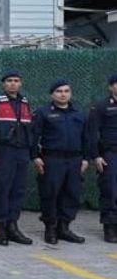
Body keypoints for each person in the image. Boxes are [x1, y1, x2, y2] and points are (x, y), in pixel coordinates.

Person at [32, 80, 89, 244]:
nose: (63, 94)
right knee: (50, 193)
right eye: (59, 91)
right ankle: (50, 228)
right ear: (52, 94)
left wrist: (86, 158)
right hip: (52, 159)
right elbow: (34, 136)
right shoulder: (43, 113)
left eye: (66, 91)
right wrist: (35, 156)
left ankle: (64, 228)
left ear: (70, 93)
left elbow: (87, 138)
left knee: (71, 193)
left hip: (74, 159)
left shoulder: (79, 113)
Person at [0, 70, 34, 246]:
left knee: (18, 190)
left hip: (22, 151)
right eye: (9, 81)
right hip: (3, 151)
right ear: (3, 84)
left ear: (21, 83)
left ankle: (13, 226)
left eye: (16, 80)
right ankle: (0, 228)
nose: (13, 83)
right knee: (2, 189)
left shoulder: (25, 102)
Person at [88, 74, 117, 243]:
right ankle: (110, 228)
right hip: (110, 154)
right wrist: (96, 156)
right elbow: (92, 133)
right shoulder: (101, 106)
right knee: (110, 191)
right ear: (110, 87)